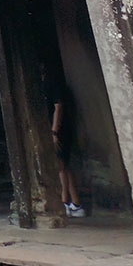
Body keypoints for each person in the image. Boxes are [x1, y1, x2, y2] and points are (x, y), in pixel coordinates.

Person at [51, 88, 85, 218]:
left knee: (60, 166)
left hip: (58, 132)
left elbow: (58, 106)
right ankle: (76, 204)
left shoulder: (51, 83)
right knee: (65, 166)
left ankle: (64, 201)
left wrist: (54, 132)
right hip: (59, 130)